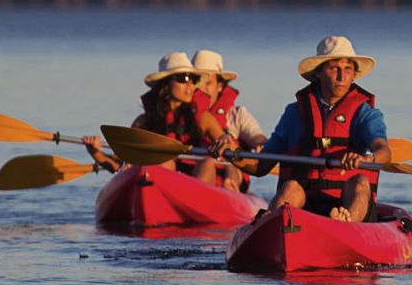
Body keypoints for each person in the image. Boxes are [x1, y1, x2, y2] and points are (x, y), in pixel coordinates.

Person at [248, 35, 390, 222]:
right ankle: (274, 224)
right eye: (334, 69)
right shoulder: (294, 113)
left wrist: (366, 158)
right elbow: (261, 166)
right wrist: (231, 155)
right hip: (305, 200)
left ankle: (345, 224)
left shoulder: (365, 113)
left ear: (354, 74)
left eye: (347, 69)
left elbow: (383, 150)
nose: (341, 77)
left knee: (360, 183)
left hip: (344, 200)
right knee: (290, 187)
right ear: (318, 73)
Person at [82, 51, 227, 184]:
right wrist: (96, 153)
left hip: (196, 183)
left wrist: (223, 143)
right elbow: (121, 165)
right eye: (183, 78)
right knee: (163, 162)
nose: (190, 85)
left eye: (193, 79)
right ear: (166, 84)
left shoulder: (203, 118)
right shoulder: (144, 122)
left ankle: (196, 203)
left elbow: (226, 141)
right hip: (162, 185)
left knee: (207, 162)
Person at [190, 48, 267, 191]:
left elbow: (257, 136)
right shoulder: (186, 113)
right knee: (206, 163)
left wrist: (260, 143)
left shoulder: (236, 115)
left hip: (229, 171)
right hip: (196, 170)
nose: (202, 89)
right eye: (198, 82)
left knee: (228, 170)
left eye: (208, 83)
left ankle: (228, 192)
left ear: (220, 86)